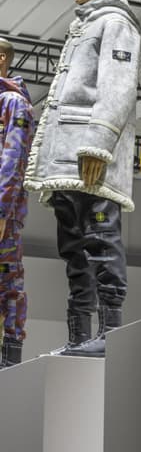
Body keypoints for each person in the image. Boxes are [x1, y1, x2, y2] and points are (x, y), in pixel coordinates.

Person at [24, 0, 141, 357]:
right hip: (66, 159)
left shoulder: (117, 22)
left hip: (90, 157)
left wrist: (99, 144)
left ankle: (109, 336)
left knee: (101, 242)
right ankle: (79, 338)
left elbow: (119, 87)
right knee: (74, 250)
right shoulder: (84, 26)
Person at [0, 39, 33, 368]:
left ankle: (9, 362)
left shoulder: (13, 102)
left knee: (8, 283)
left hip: (3, 215)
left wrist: (2, 211)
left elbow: (14, 160)